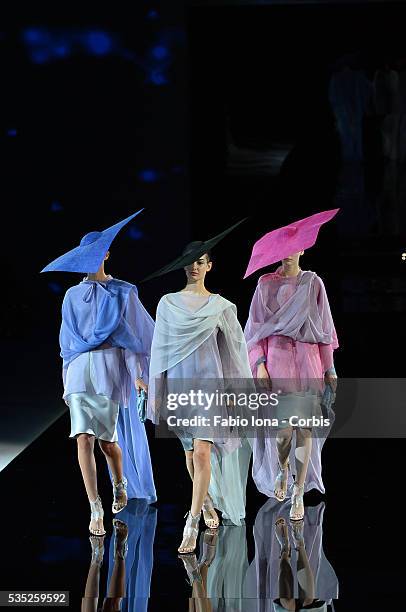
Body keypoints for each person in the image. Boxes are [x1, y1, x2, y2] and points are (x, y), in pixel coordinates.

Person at [41, 211, 156, 536]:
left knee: (107, 443)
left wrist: (137, 374)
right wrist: (66, 380)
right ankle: (95, 507)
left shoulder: (123, 291)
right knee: (83, 439)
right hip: (79, 372)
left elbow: (134, 339)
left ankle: (119, 482)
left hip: (108, 371)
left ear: (106, 253)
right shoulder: (71, 296)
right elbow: (67, 342)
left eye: (96, 254)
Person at [144, 221, 253, 554]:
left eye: (200, 260)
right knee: (190, 453)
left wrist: (238, 392)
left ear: (209, 265)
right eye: (189, 261)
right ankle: (204, 503)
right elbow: (158, 351)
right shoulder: (167, 304)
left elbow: (234, 351)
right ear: (183, 265)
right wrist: (157, 392)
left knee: (203, 451)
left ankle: (191, 525)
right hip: (179, 386)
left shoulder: (220, 306)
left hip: (209, 387)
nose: (194, 266)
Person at [244, 210, 338, 521]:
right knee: (283, 432)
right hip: (278, 363)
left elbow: (325, 328)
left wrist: (330, 369)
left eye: (292, 249)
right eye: (282, 251)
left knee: (305, 430)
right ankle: (282, 469)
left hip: (308, 363)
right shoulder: (265, 285)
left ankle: (298, 493)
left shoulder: (313, 283)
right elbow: (254, 330)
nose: (287, 255)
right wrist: (258, 363)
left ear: (302, 249)